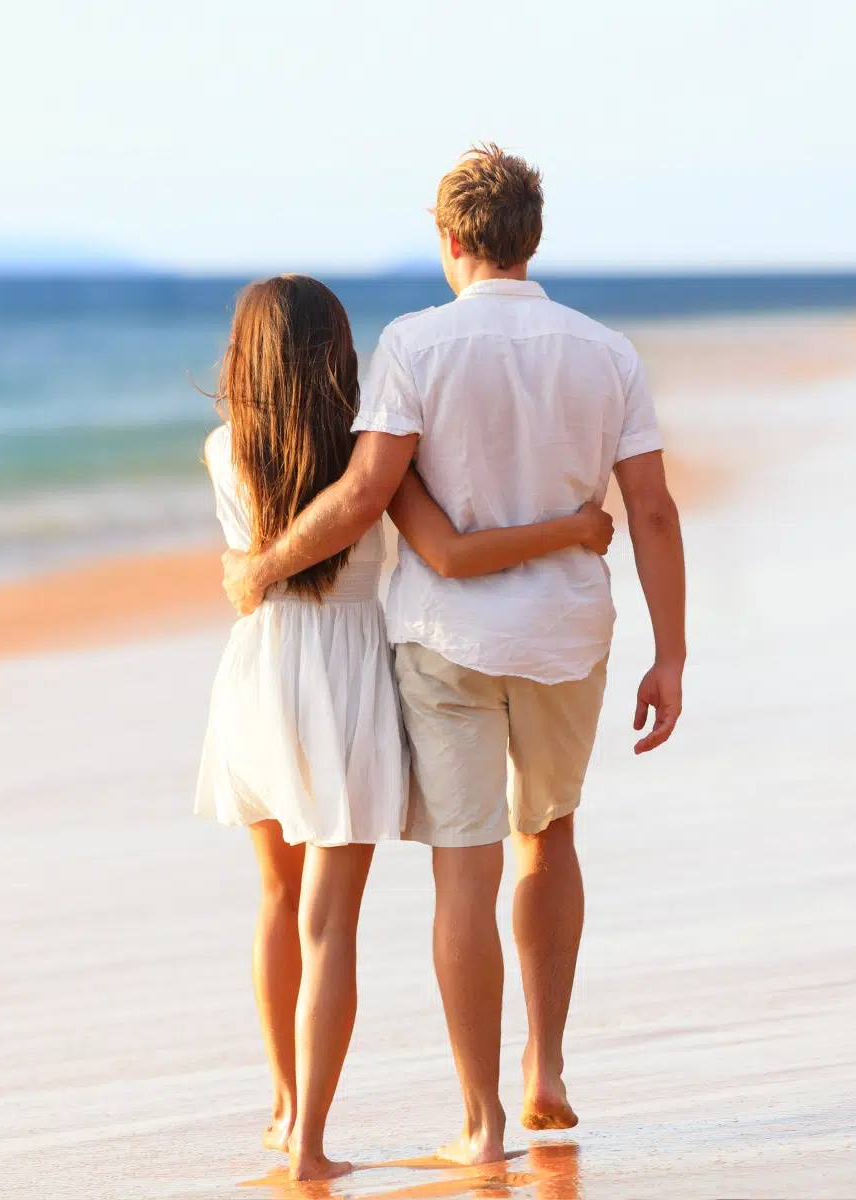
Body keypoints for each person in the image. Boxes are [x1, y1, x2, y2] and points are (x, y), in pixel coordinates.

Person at [222, 145, 688, 1166]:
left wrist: (261, 570)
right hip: (568, 636)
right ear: (532, 237)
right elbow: (650, 507)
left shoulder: (416, 345)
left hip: (445, 640)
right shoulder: (608, 352)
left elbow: (363, 495)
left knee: (462, 875)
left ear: (450, 240)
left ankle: (480, 1123)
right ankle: (547, 1068)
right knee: (551, 833)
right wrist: (673, 655)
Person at [194, 273, 615, 1181]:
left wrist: (255, 571)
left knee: (276, 899)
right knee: (329, 920)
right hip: (345, 680)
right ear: (336, 352)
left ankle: (281, 1104)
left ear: (246, 358)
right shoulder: (371, 459)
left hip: (259, 675)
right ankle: (310, 1139)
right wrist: (577, 526)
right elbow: (450, 554)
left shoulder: (223, 447)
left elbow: (245, 562)